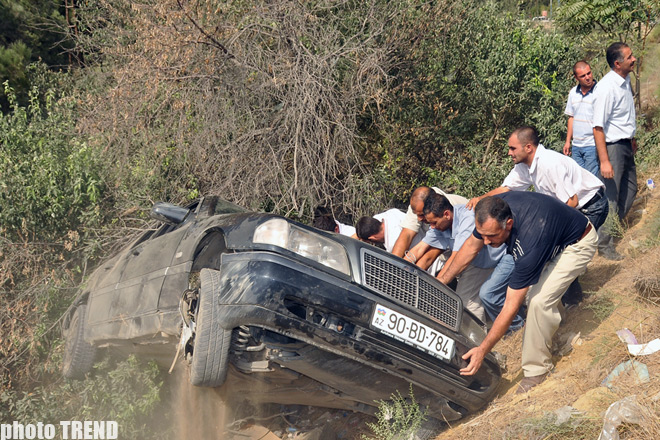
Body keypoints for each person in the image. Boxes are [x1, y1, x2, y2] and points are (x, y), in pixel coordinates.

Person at [438, 193, 597, 393]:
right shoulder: (493, 209)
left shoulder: (531, 241)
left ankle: (536, 370)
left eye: (492, 236)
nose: (486, 242)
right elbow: (471, 245)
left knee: (538, 301)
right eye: (483, 235)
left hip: (576, 244)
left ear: (509, 223)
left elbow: (510, 306)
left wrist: (482, 350)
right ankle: (555, 332)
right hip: (552, 239)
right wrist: (443, 281)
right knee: (538, 297)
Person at [467, 126, 608, 303]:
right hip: (573, 207)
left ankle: (572, 302)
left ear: (528, 148)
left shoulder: (549, 164)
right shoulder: (524, 166)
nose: (509, 153)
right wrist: (480, 198)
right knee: (559, 252)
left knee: (563, 253)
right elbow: (506, 188)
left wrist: (552, 233)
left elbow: (572, 201)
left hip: (591, 205)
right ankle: (569, 298)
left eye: (513, 148)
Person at [421, 193, 518, 326]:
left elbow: (458, 256)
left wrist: (437, 286)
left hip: (493, 259)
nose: (431, 226)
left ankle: (479, 340)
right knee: (470, 301)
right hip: (474, 262)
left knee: (469, 305)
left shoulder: (467, 216)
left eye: (434, 222)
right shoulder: (440, 225)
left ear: (446, 214)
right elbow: (420, 252)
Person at [592, 42, 638, 260]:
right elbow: (598, 127)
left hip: (626, 144)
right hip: (612, 148)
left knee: (630, 190)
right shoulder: (606, 88)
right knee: (612, 196)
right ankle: (605, 245)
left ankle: (611, 232)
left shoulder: (625, 80)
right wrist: (604, 161)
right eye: (630, 57)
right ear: (618, 63)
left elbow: (625, 114)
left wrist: (632, 138)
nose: (634, 59)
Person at [564, 61, 600, 177]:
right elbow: (571, 118)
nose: (588, 78)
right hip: (576, 146)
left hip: (592, 145)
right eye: (583, 76)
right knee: (578, 179)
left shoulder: (599, 92)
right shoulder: (573, 93)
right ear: (576, 77)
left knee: (591, 179)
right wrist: (568, 142)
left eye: (589, 73)